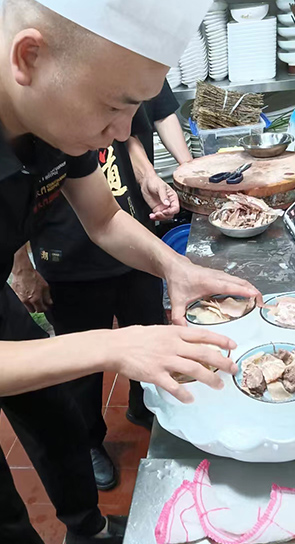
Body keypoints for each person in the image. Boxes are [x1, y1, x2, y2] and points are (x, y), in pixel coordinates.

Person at [0, 0, 250, 542]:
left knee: (56, 414)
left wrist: (172, 267)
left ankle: (86, 528)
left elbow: (105, 218)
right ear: (29, 57)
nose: (119, 133)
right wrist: (114, 345)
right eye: (114, 107)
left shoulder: (54, 116)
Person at [11, 81, 187, 492]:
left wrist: (173, 261)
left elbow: (110, 205)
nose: (120, 129)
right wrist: (23, 268)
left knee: (148, 332)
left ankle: (145, 406)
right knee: (80, 373)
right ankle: (88, 441)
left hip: (129, 242)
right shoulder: (40, 121)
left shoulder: (93, 114)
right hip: (67, 258)